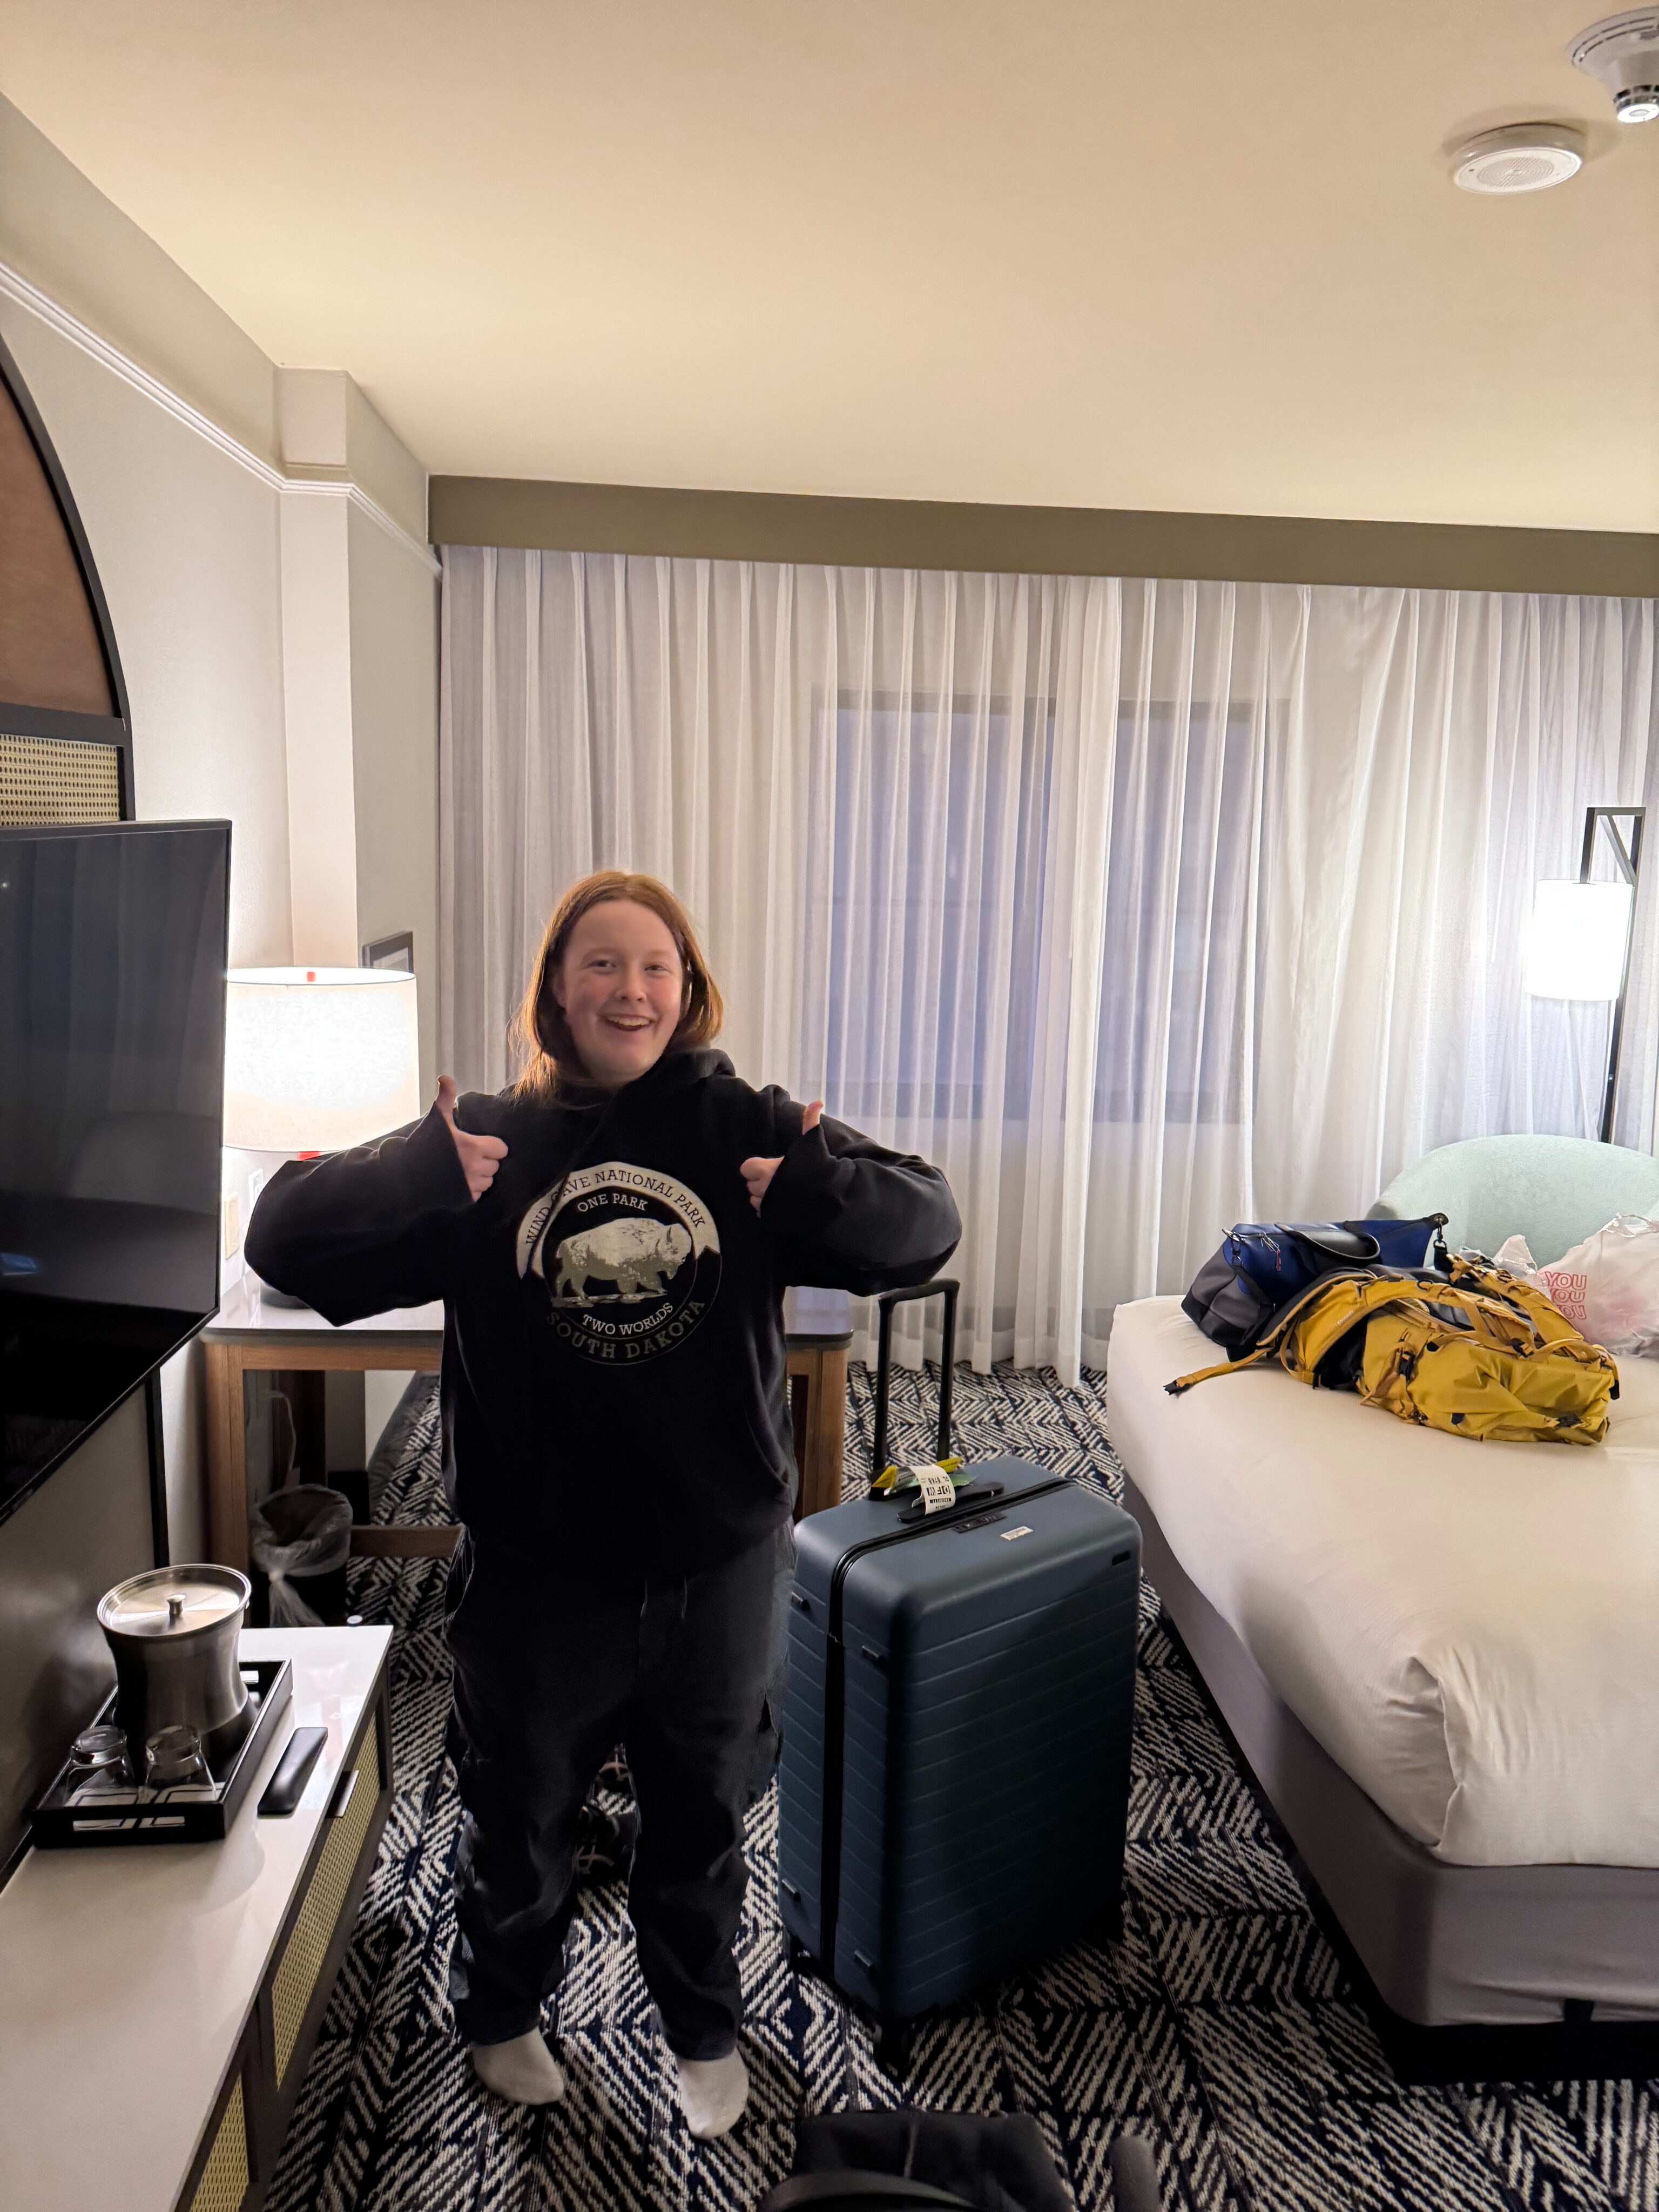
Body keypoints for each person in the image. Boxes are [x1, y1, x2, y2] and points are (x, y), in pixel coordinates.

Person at [245, 871, 960, 2137]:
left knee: (701, 1815)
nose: (629, 988)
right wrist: (421, 1171)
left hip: (716, 1558)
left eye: (655, 967)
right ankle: (499, 2011)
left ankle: (700, 2022)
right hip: (540, 1562)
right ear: (556, 988)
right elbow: (280, 1242)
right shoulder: (491, 1142)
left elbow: (926, 1223)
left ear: (686, 992)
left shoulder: (745, 1122)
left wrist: (802, 1188)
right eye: (600, 964)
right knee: (517, 1818)